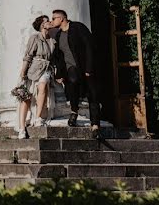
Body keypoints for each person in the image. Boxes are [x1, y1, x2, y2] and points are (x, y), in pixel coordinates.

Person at [49, 8, 102, 139]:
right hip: (71, 68)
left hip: (86, 68)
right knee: (72, 82)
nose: (52, 20)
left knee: (93, 95)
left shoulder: (78, 27)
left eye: (54, 18)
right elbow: (59, 57)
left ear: (62, 18)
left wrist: (89, 68)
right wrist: (59, 74)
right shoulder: (59, 35)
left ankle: (95, 126)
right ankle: (74, 111)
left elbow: (89, 46)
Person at [14, 15, 56, 139]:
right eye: (47, 21)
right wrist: (23, 72)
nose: (49, 22)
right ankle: (22, 128)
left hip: (46, 68)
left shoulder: (52, 40)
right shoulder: (35, 38)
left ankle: (38, 118)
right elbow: (28, 56)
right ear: (42, 25)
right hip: (33, 69)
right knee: (26, 97)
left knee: (43, 86)